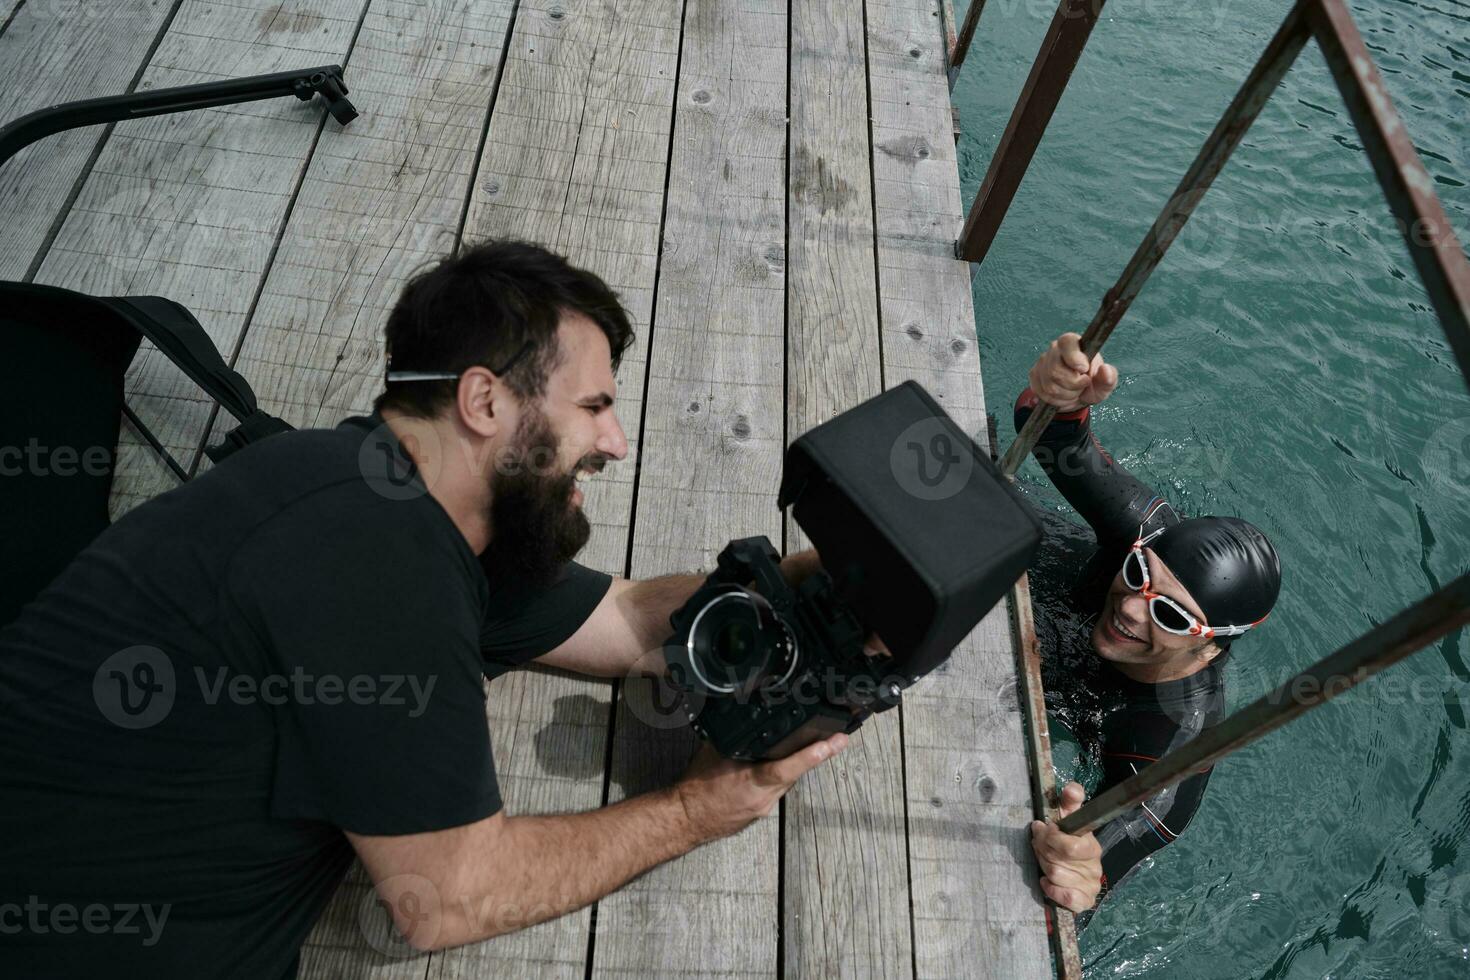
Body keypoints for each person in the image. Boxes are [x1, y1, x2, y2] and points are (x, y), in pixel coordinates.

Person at [0, 240, 1101, 977]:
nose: (615, 442)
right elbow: (443, 895)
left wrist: (845, 569)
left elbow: (625, 621)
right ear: (485, 399)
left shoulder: (386, 491)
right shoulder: (374, 571)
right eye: (594, 405)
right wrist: (697, 810)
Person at [1015, 332, 1282, 926]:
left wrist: (1082, 869)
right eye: (1138, 573)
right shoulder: (1150, 530)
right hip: (1030, 553)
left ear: (1209, 644)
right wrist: (1059, 393)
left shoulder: (1176, 741)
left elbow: (1092, 873)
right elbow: (1055, 434)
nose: (1134, 608)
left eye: (1170, 614)